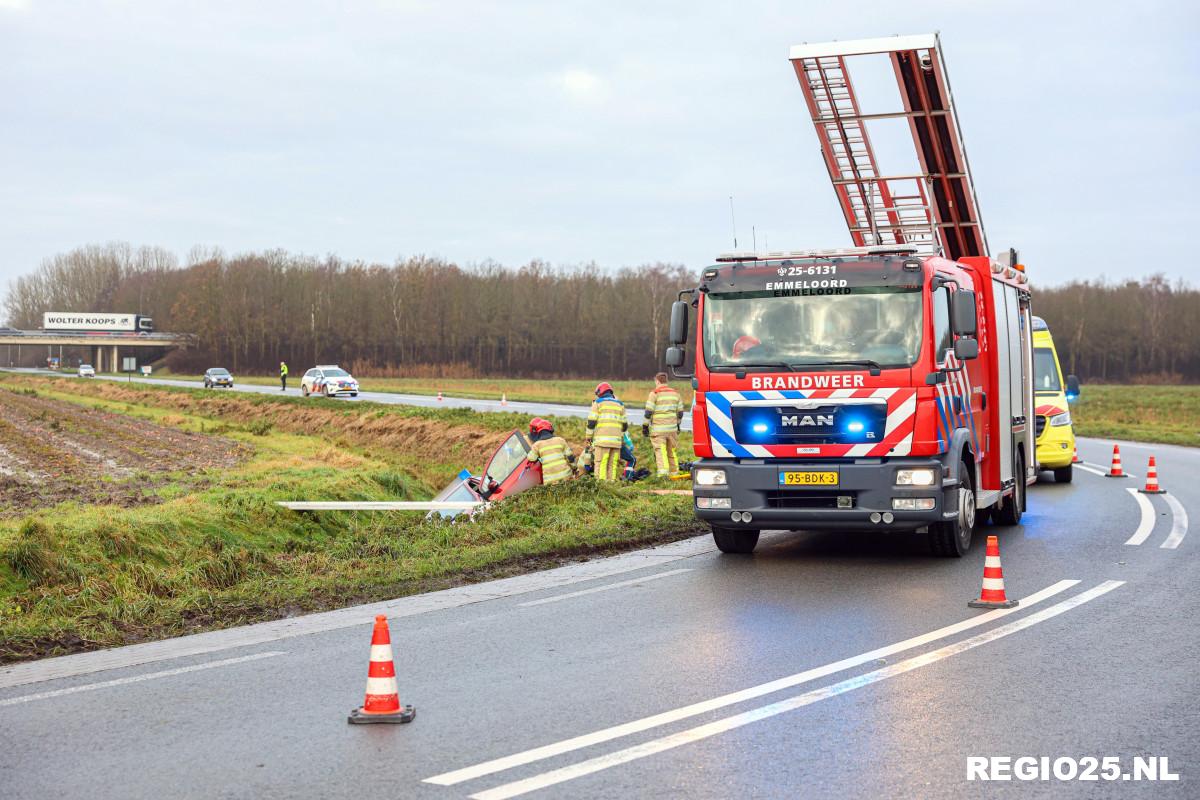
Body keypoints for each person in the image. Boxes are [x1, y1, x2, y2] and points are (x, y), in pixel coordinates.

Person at [643, 372, 684, 477]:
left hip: (659, 429)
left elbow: (648, 412)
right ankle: (674, 473)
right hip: (672, 429)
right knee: (672, 451)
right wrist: (678, 424)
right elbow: (680, 413)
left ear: (657, 381)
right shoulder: (675, 393)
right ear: (666, 381)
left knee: (661, 451)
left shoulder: (655, 393)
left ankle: (663, 475)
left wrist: (645, 426)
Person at [585, 382, 628, 481]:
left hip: (602, 441)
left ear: (600, 392)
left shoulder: (598, 403)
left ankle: (601, 486)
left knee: (601, 463)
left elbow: (591, 423)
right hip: (616, 442)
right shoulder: (620, 404)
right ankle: (611, 484)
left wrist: (588, 437)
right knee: (612, 465)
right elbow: (625, 426)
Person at [525, 417, 576, 484]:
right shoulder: (560, 440)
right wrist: (574, 467)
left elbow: (531, 458)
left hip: (550, 481)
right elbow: (570, 457)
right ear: (551, 430)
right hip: (566, 476)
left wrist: (539, 457)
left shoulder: (537, 445)